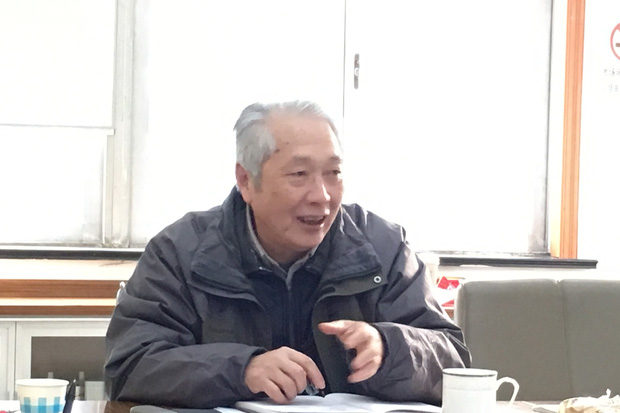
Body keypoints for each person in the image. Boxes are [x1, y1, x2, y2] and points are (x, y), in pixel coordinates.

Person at [104, 100, 471, 408]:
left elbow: (454, 362)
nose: (321, 196)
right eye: (299, 174)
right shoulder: (180, 252)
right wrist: (242, 370)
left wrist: (389, 348)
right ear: (246, 181)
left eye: (333, 173)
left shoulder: (383, 246)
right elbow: (131, 365)